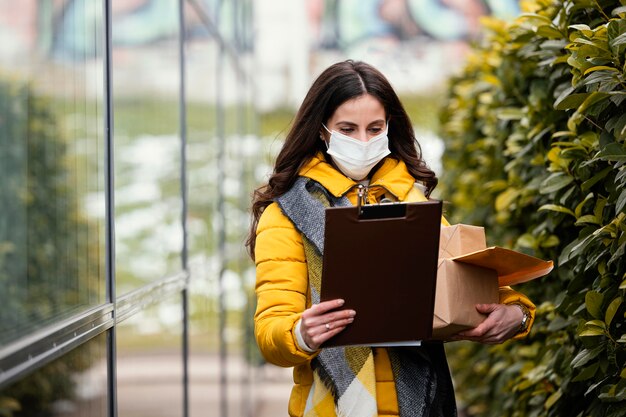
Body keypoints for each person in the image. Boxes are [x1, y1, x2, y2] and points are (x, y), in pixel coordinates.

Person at [246, 60, 535, 417]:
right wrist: (302, 333)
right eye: (348, 129)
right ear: (322, 131)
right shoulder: (287, 214)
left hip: (424, 404)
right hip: (329, 407)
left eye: (375, 128)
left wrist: (517, 314)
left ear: (388, 127)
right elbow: (271, 330)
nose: (363, 141)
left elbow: (465, 284)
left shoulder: (413, 202)